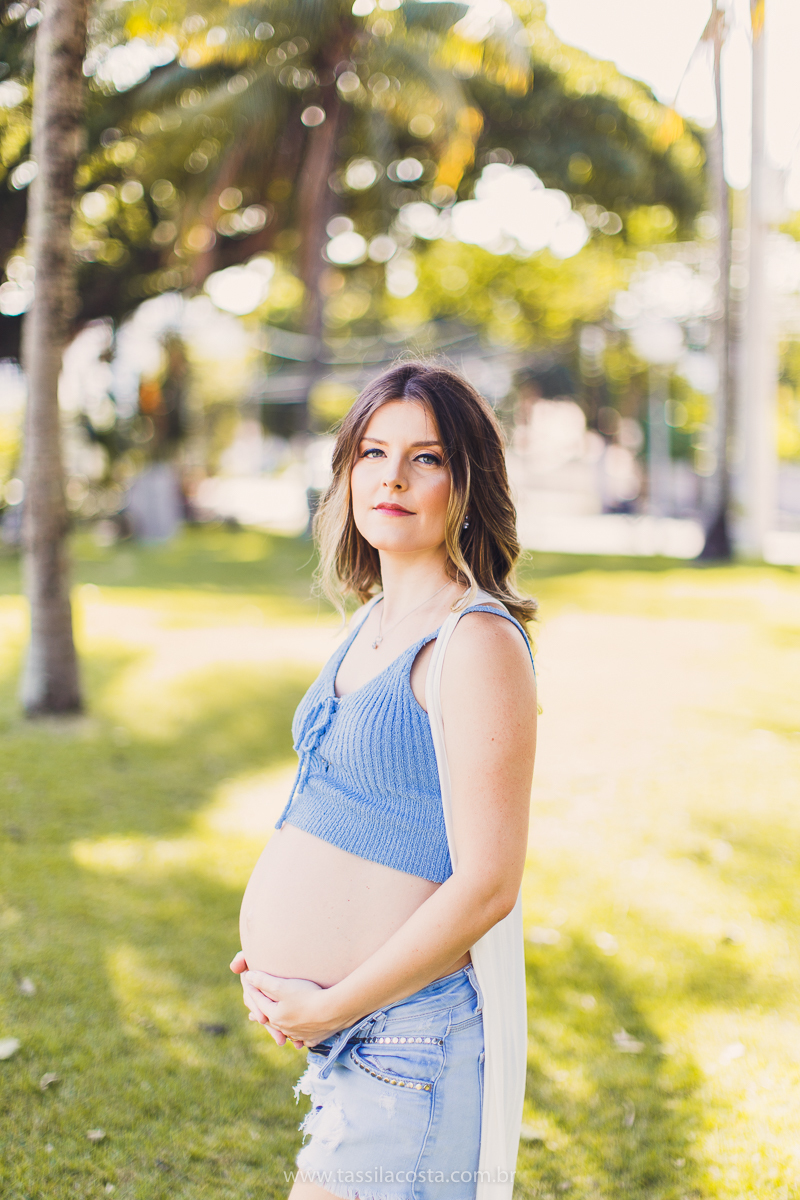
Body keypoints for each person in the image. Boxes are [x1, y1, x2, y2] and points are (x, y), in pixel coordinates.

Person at [230, 362, 538, 1200]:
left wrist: (332, 1004)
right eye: (372, 452)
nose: (392, 478)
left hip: (408, 1042)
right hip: (361, 1038)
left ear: (467, 481)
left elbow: (488, 885)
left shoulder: (475, 641)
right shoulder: (370, 620)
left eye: (426, 458)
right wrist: (284, 966)